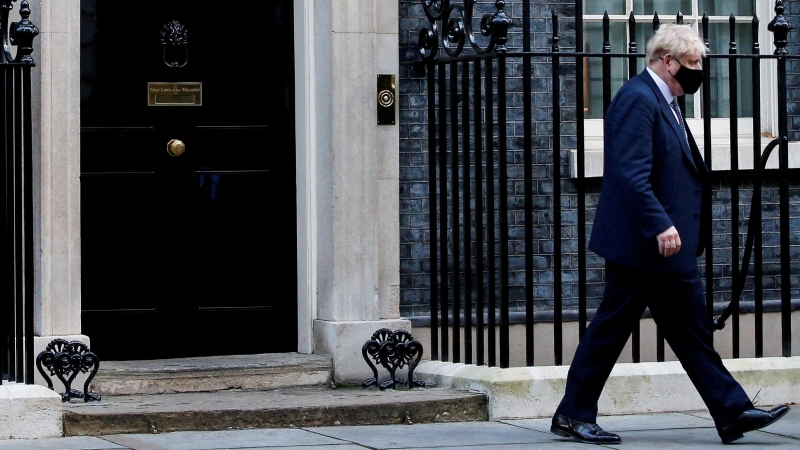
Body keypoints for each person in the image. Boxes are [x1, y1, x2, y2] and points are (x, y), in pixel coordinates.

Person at [550, 23, 790, 445]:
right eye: (693, 63)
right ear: (668, 61)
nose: (699, 71)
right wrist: (660, 223)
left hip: (666, 248)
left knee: (690, 331)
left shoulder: (667, 102)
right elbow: (628, 175)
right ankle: (573, 414)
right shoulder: (637, 100)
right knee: (612, 328)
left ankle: (731, 412)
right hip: (644, 244)